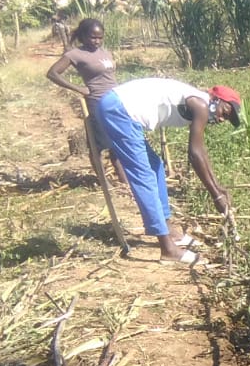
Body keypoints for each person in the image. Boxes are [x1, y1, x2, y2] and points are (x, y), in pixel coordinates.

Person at [94, 78, 242, 263]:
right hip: (118, 109)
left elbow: (201, 152)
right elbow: (194, 154)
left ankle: (168, 229)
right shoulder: (201, 105)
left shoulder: (200, 103)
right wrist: (215, 196)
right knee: (144, 176)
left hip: (119, 107)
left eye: (226, 119)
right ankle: (167, 248)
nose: (221, 119)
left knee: (155, 165)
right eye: (224, 112)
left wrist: (218, 189)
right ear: (215, 99)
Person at [46, 17, 128, 185]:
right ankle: (103, 181)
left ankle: (123, 179)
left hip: (116, 101)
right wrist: (78, 89)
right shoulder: (75, 54)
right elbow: (52, 73)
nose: (97, 41)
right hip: (97, 102)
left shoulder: (105, 52)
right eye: (93, 37)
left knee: (117, 141)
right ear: (83, 36)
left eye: (100, 37)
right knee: (98, 144)